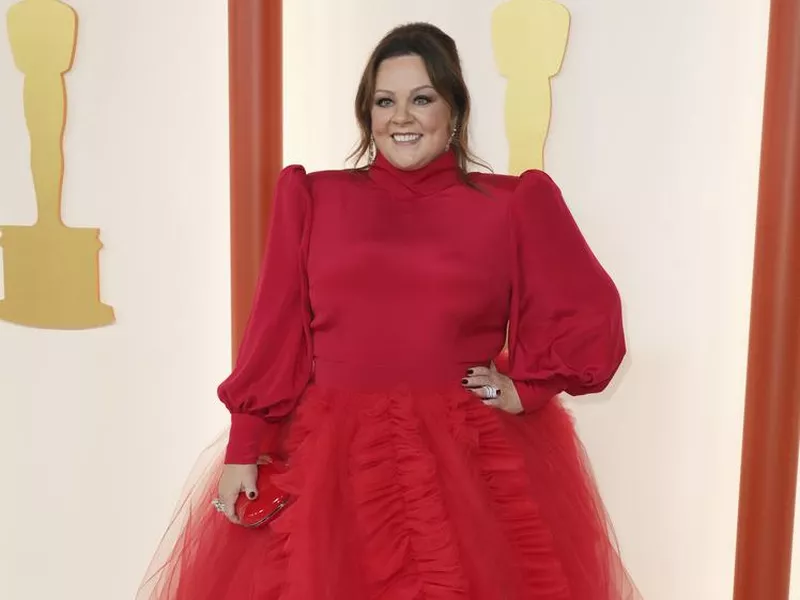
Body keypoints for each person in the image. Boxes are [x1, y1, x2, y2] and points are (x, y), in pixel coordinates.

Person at [138, 22, 642, 600]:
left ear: (454, 110)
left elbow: (586, 311)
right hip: (331, 461)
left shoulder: (511, 205)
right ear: (367, 113)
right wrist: (244, 447)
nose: (402, 117)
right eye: (385, 101)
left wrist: (527, 389)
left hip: (462, 460)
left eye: (421, 99)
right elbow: (275, 333)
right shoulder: (312, 197)